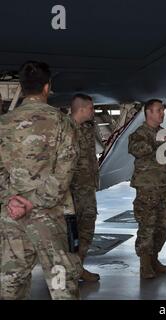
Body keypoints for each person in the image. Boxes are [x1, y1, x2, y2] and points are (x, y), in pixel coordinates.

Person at [0, 61, 82, 299]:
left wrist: (13, 200)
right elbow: (64, 172)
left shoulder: (4, 124)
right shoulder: (63, 123)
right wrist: (34, 202)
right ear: (47, 87)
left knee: (11, 280)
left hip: (10, 214)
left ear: (22, 88)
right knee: (61, 282)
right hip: (50, 216)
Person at [128, 99, 166, 279]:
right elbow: (137, 149)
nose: (162, 114)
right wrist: (159, 141)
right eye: (158, 110)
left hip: (163, 188)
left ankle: (154, 258)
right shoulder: (139, 133)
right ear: (148, 113)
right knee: (147, 226)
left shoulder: (164, 133)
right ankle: (145, 264)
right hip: (147, 188)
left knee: (162, 226)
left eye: (163, 110)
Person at [70, 93, 100, 282]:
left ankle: (78, 267)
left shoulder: (88, 128)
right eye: (91, 108)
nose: (93, 111)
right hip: (69, 191)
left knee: (86, 229)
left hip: (87, 189)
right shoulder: (64, 128)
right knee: (67, 233)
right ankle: (66, 273)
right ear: (81, 109)